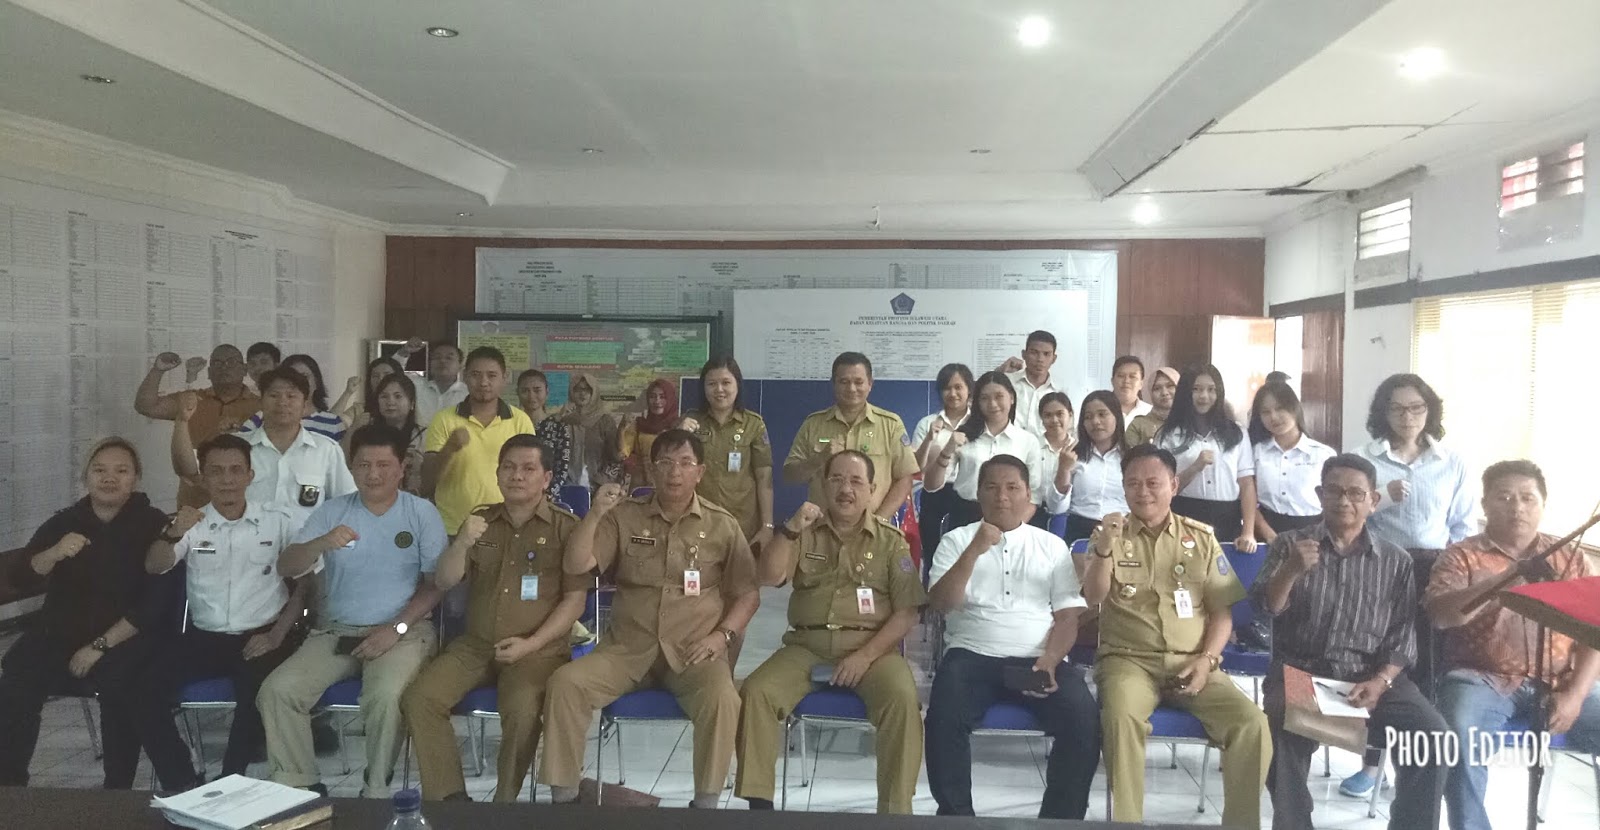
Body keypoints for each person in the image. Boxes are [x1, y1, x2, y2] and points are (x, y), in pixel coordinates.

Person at [539, 430, 760, 809]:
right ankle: (566, 803)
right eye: (665, 463)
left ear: (700, 472)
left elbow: (748, 594)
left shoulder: (722, 525)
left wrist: (722, 636)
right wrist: (595, 513)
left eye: (685, 463)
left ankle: (705, 807)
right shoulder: (623, 516)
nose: (675, 472)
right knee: (565, 683)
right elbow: (577, 565)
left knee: (724, 699)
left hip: (693, 652)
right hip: (627, 650)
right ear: (651, 469)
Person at [1251, 453, 1447, 830]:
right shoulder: (1290, 545)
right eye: (1335, 491)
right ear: (1319, 495)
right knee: (1280, 723)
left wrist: (1381, 681)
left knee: (1432, 734)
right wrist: (1291, 570)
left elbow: (1403, 635)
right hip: (1302, 671)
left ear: (1374, 501)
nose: (1344, 501)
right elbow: (1265, 609)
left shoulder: (1396, 560)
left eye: (1356, 493)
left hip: (1372, 676)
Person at [1084, 444, 1270, 829]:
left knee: (1252, 723)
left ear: (1173, 485)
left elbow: (1222, 614)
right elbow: (1093, 597)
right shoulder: (1108, 535)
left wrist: (1207, 661)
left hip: (1194, 662)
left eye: (1153, 483)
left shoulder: (1200, 538)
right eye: (1133, 483)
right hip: (1128, 662)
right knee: (1120, 718)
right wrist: (1103, 551)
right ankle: (1127, 824)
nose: (1143, 492)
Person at [257, 424, 447, 798]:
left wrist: (396, 628)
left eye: (383, 465)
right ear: (351, 467)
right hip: (336, 630)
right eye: (363, 465)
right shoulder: (333, 511)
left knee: (386, 696)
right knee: (277, 691)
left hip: (403, 632)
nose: (373, 474)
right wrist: (320, 543)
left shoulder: (421, 513)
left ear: (401, 468)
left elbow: (435, 585)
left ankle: (376, 790)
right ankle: (300, 786)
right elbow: (287, 566)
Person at [735, 451, 924, 813]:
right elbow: (769, 576)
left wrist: (864, 657)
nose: (845, 489)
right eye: (836, 479)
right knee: (757, 692)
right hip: (807, 646)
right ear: (823, 486)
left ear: (872, 489)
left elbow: (907, 613)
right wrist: (789, 530)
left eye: (855, 481)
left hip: (873, 650)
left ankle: (895, 812)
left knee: (903, 700)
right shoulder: (803, 532)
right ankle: (760, 808)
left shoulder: (890, 541)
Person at [402, 435, 588, 802]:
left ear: (546, 478)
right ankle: (451, 800)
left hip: (537, 651)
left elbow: (575, 601)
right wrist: (462, 542)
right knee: (420, 699)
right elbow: (444, 581)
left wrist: (531, 645)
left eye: (528, 469)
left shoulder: (566, 528)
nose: (517, 476)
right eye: (509, 467)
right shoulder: (481, 521)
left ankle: (503, 806)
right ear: (498, 473)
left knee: (522, 711)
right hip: (476, 645)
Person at [1425, 460, 1600, 830]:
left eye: (1527, 498)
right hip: (1480, 678)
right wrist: (1505, 579)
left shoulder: (1570, 558)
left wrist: (1575, 695)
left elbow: (1593, 634)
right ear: (1485, 504)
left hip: (1560, 681)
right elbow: (1442, 616)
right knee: (1458, 738)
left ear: (1543, 504)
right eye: (1504, 497)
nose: (1517, 507)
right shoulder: (1460, 555)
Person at [925, 455, 1101, 819]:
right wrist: (973, 551)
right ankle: (957, 818)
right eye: (991, 487)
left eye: (1012, 487)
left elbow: (1067, 617)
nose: (1001, 496)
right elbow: (941, 604)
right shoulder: (956, 541)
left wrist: (1050, 660)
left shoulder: (1051, 545)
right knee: (943, 716)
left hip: (1038, 657)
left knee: (1083, 718)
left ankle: (1059, 820)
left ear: (1028, 494)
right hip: (971, 655)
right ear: (978, 494)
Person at [136, 434, 309, 790]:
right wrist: (173, 533)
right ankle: (181, 781)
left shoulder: (279, 520)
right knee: (143, 690)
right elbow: (155, 565)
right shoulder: (190, 523)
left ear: (250, 475)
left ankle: (230, 783)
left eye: (235, 470)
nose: (227, 480)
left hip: (263, 635)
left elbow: (306, 584)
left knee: (254, 695)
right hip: (204, 639)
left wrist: (277, 634)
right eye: (216, 471)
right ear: (203, 478)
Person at [0, 439, 176, 788]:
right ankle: (10, 785)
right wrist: (53, 553)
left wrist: (99, 646)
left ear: (135, 479)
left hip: (124, 636)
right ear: (86, 477)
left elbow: (154, 602)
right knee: (18, 674)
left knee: (120, 681)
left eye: (121, 471)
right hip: (61, 633)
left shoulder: (152, 523)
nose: (109, 478)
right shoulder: (65, 521)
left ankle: (116, 789)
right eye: (99, 470)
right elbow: (21, 576)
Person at [1344, 373, 1472, 795]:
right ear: (1383, 413)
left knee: (1425, 671)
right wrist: (1381, 495)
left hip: (1434, 573)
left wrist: (1455, 572)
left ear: (1429, 411)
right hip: (1377, 572)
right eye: (1397, 408)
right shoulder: (1363, 458)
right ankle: (1371, 764)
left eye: (1416, 408)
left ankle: (1415, 768)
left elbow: (1462, 526)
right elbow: (1345, 515)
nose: (1407, 416)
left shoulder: (1450, 462)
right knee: (1377, 669)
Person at [181, 369, 354, 531]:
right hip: (244, 547)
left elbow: (347, 504)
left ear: (304, 404)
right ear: (261, 402)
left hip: (307, 550)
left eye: (291, 396)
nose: (282, 402)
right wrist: (181, 421)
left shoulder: (326, 450)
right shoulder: (236, 447)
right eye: (274, 395)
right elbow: (188, 470)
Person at [785, 352, 917, 520]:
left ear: (870, 384)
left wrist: (879, 521)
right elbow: (790, 476)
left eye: (858, 382)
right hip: (821, 527)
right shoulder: (813, 424)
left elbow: (905, 478)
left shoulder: (890, 425)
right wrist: (819, 459)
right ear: (834, 384)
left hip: (873, 527)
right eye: (844, 382)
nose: (851, 389)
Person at [423, 346, 536, 534]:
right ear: (464, 376)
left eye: (492, 375)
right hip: (454, 528)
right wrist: (450, 448)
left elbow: (531, 475)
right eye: (475, 375)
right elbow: (427, 482)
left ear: (504, 378)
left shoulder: (520, 421)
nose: (483, 382)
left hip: (507, 528)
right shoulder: (444, 419)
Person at [134, 346, 259, 508]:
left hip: (244, 504)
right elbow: (146, 406)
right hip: (194, 503)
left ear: (244, 369)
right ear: (209, 373)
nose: (224, 367)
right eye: (217, 363)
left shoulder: (261, 406)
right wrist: (158, 370)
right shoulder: (191, 399)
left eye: (231, 362)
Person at [1155, 364, 1260, 551]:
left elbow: (1246, 484)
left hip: (1228, 518)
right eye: (1196, 389)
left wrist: (1248, 532)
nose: (1204, 396)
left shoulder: (1236, 433)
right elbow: (1162, 488)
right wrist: (1195, 467)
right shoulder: (1168, 435)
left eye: (1211, 390)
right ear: (1185, 392)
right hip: (1183, 514)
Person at [923, 371, 1042, 531]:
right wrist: (948, 449)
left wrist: (1013, 526)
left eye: (999, 396)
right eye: (985, 398)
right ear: (977, 402)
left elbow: (1034, 496)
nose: (992, 404)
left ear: (1012, 398)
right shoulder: (963, 435)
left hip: (1011, 516)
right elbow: (932, 485)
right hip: (965, 515)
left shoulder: (1028, 441)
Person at [678, 356, 776, 550]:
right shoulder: (690, 422)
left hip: (742, 524)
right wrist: (678, 435)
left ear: (737, 385)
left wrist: (767, 526)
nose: (719, 389)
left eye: (726, 382)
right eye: (712, 384)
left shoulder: (754, 424)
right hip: (698, 521)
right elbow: (674, 468)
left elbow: (764, 479)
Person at [1248, 381, 1335, 543]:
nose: (1273, 417)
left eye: (1280, 408)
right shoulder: (1256, 452)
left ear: (1295, 408)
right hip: (1266, 532)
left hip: (1313, 534)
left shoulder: (1323, 454)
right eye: (1266, 412)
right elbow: (1247, 497)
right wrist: (1269, 535)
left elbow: (1333, 502)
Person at [911, 363, 974, 568]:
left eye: (958, 387)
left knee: (966, 556)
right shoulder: (927, 423)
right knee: (934, 555)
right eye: (947, 388)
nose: (953, 393)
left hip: (969, 495)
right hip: (935, 496)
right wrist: (930, 438)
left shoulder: (978, 424)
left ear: (969, 390)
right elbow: (916, 467)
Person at [1054, 391, 1128, 544]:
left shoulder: (1131, 458)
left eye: (1102, 414)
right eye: (1088, 417)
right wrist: (1063, 469)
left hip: (1122, 530)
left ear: (1117, 416)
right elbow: (1056, 507)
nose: (1095, 421)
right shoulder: (1072, 456)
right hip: (1079, 530)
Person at [355, 373, 426, 494]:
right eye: (384, 396)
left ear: (412, 403)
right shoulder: (367, 433)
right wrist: (354, 427)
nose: (390, 402)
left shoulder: (425, 435)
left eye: (398, 396)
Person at [514, 369, 574, 500]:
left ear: (547, 392)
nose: (531, 396)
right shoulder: (511, 424)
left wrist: (544, 496)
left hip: (547, 498)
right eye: (525, 391)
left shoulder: (559, 427)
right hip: (513, 494)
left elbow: (562, 469)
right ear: (517, 393)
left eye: (537, 390)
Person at [558, 371, 623, 488]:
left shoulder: (605, 421)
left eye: (587, 390)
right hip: (567, 486)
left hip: (598, 486)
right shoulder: (564, 421)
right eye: (577, 389)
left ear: (594, 393)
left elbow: (615, 459)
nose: (582, 393)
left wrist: (601, 481)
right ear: (571, 392)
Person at [997, 330, 1064, 438]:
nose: (1040, 359)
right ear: (1024, 354)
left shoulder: (1059, 393)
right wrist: (998, 373)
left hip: (1042, 447)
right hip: (1006, 444)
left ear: (1054, 359)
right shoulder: (1006, 382)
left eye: (1046, 354)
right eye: (1034, 352)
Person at [620, 378, 680, 489]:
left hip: (670, 485)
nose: (657, 401)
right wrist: (622, 429)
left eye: (662, 397)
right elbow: (622, 453)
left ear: (670, 399)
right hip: (641, 487)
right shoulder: (639, 424)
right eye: (652, 396)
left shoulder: (679, 426)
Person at [1032, 391, 1076, 526]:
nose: (1054, 420)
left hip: (1068, 517)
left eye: (1060, 414)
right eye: (1048, 415)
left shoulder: (1079, 448)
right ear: (1041, 418)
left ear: (1070, 415)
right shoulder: (1032, 446)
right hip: (1034, 513)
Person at [334, 356, 404, 430]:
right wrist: (348, 392)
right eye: (375, 376)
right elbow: (330, 425)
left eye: (387, 375)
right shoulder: (359, 410)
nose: (380, 379)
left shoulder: (407, 407)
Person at [415, 342, 468, 428]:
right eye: (437, 357)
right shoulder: (417, 386)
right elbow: (393, 375)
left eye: (449, 358)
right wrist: (404, 353)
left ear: (460, 366)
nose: (442, 361)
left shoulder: (468, 394)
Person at [1125, 366, 1178, 447]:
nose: (1164, 393)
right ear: (1151, 393)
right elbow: (1129, 454)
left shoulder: (1191, 422)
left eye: (1170, 386)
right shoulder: (1138, 425)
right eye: (1157, 388)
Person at [1111, 355, 1154, 425]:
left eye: (1132, 376)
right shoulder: (1100, 410)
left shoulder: (1150, 412)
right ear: (1112, 381)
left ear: (1141, 384)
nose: (1126, 381)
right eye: (1121, 376)